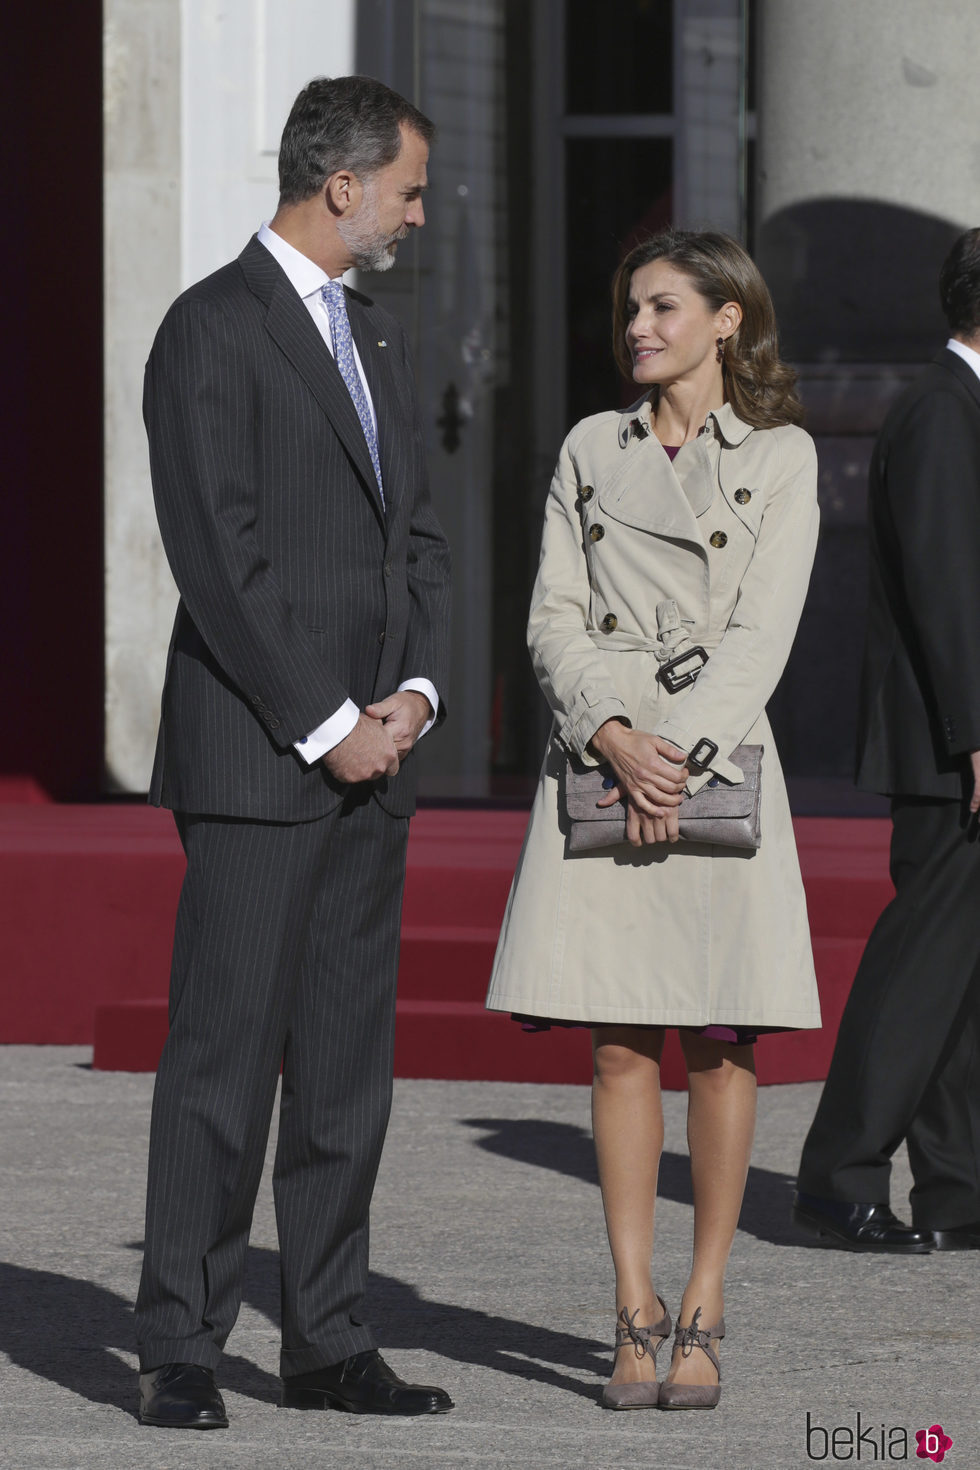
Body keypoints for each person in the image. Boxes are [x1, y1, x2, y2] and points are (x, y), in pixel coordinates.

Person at [134, 76, 453, 1429]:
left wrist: (419, 700)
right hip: (268, 765)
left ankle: (327, 1337)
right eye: (412, 189)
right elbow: (219, 557)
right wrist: (331, 725)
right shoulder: (210, 328)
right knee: (222, 1067)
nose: (420, 214)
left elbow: (420, 542)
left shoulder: (377, 337)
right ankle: (180, 1348)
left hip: (378, 766)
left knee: (342, 1072)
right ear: (343, 185)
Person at [486, 230, 821, 1410]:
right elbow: (549, 616)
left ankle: (704, 1304)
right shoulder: (591, 447)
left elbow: (763, 634)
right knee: (618, 1043)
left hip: (711, 760)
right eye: (630, 308)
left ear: (727, 319)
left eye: (664, 307)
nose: (637, 327)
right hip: (604, 753)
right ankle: (631, 1311)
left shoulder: (780, 455)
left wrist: (672, 756)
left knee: (720, 1045)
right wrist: (611, 735)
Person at [794, 228, 980, 1255]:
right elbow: (950, 592)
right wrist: (975, 734)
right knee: (919, 968)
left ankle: (955, 1191)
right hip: (950, 752)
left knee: (959, 978)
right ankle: (836, 1173)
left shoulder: (958, 407)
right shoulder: (942, 412)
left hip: (955, 740)